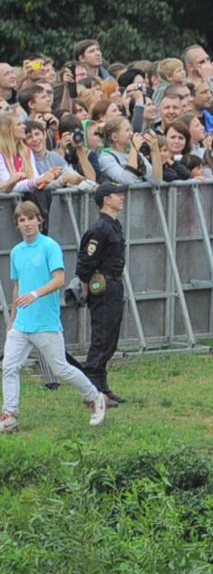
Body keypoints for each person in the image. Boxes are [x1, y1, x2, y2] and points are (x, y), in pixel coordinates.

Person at [4, 201, 108, 433]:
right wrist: (12, 321)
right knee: (9, 367)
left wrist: (35, 294)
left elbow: (59, 280)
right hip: (22, 324)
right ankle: (10, 415)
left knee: (61, 369)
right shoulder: (17, 252)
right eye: (22, 220)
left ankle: (95, 397)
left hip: (46, 323)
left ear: (39, 220)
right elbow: (17, 286)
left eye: (31, 218)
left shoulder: (50, 246)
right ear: (17, 225)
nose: (27, 223)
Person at [71, 181, 130, 405]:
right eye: (118, 195)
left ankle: (102, 386)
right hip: (103, 286)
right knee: (102, 336)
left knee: (111, 336)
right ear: (107, 199)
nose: (121, 198)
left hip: (114, 284)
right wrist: (87, 289)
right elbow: (85, 263)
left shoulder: (114, 225)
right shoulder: (100, 229)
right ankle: (93, 392)